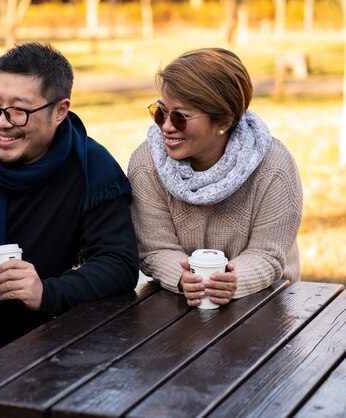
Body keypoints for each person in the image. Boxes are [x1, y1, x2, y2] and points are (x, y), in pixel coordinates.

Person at [0, 42, 140, 380]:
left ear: (60, 111)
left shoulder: (91, 168)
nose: (2, 123)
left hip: (47, 351)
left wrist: (47, 292)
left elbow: (118, 264)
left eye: (19, 110)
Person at [127, 48, 303, 308]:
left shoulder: (273, 167)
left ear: (224, 120)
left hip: (267, 302)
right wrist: (182, 277)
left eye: (180, 117)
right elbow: (155, 248)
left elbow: (267, 254)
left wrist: (232, 280)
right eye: (160, 112)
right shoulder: (147, 164)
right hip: (178, 304)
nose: (166, 126)